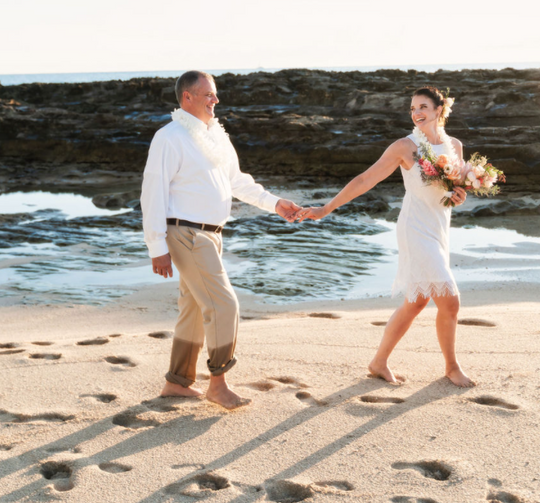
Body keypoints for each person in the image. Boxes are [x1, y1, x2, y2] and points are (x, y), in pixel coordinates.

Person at [141, 70, 305, 408]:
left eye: (214, 94)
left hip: (211, 235)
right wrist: (156, 247)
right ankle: (218, 383)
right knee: (223, 304)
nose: (215, 99)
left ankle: (177, 382)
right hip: (185, 232)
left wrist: (275, 203)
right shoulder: (169, 137)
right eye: (207, 94)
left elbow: (238, 181)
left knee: (193, 309)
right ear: (187, 97)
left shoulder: (216, 135)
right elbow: (152, 193)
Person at [299, 86, 473, 387]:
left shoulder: (454, 145)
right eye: (412, 109)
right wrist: (327, 207)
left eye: (422, 107)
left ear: (438, 110)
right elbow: (365, 178)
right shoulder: (404, 147)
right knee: (450, 302)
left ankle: (378, 362)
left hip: (440, 227)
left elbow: (454, 189)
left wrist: (461, 195)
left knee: (416, 302)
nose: (416, 113)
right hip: (415, 229)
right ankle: (452, 367)